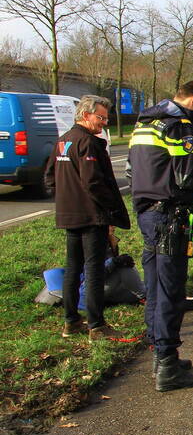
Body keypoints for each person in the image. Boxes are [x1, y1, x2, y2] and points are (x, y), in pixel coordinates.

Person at [127, 81, 193, 392]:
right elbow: (186, 177)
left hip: (147, 212)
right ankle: (167, 366)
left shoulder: (145, 124)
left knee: (155, 288)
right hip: (169, 216)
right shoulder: (179, 126)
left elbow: (131, 172)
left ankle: (160, 356)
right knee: (170, 291)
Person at [43, 95, 132, 342]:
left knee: (73, 268)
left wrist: (67, 197)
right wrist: (111, 210)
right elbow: (93, 181)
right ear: (85, 115)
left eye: (106, 118)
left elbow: (50, 177)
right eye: (100, 117)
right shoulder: (88, 143)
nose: (104, 122)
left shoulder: (63, 140)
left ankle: (71, 321)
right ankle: (97, 326)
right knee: (94, 270)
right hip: (91, 216)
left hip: (69, 214)